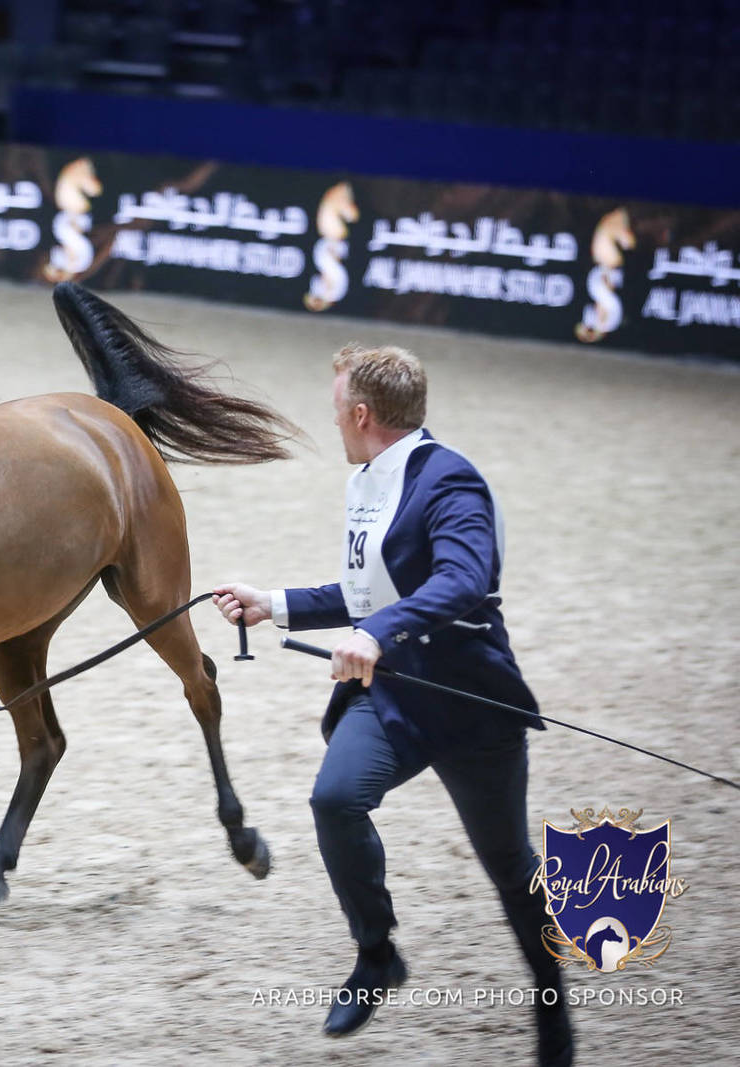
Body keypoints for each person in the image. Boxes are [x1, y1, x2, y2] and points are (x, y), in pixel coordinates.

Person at [212, 344, 572, 1066]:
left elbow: (465, 578)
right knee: (335, 797)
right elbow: (371, 591)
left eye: (337, 408)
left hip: (468, 699)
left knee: (509, 865)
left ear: (363, 413)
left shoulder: (450, 482)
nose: (335, 421)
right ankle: (377, 953)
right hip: (393, 692)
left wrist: (375, 633)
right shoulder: (371, 480)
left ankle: (551, 999)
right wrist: (273, 604)